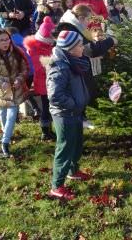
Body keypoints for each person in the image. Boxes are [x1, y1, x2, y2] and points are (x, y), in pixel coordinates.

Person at [55, 4, 116, 129]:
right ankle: (79, 119)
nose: (88, 23)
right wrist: (111, 41)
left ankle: (81, 117)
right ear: (81, 18)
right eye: (88, 19)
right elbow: (91, 50)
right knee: (78, 91)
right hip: (74, 67)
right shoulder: (72, 29)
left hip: (77, 65)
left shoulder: (73, 26)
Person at [47, 30, 91, 200]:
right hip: (65, 114)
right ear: (71, 49)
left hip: (75, 112)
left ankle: (73, 171)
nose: (83, 47)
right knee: (65, 148)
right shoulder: (60, 66)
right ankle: (57, 185)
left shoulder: (73, 62)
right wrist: (73, 104)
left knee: (76, 143)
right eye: (80, 45)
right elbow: (55, 95)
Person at [0, 28, 29, 157]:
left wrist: (19, 79)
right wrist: (1, 83)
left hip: (15, 91)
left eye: (7, 39)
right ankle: (5, 133)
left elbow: (24, 69)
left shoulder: (16, 52)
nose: (5, 42)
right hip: (0, 92)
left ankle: (5, 141)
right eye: (1, 40)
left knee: (12, 114)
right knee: (2, 113)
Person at [24, 16, 57, 141]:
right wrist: (54, 60)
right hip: (44, 83)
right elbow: (41, 67)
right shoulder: (35, 49)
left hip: (50, 81)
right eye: (51, 38)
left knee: (50, 107)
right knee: (46, 107)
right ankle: (45, 131)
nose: (53, 40)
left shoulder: (47, 46)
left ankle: (50, 129)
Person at [7, 27, 42, 121]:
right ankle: (36, 110)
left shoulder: (10, 43)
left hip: (19, 72)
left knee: (15, 93)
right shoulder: (25, 40)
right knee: (24, 91)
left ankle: (16, 116)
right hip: (30, 71)